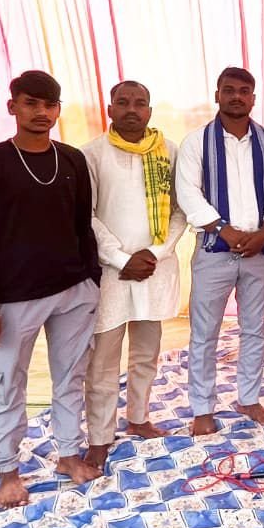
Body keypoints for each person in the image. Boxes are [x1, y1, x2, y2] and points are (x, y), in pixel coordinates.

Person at [0, 69, 102, 509]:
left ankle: (69, 455)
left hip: (74, 291)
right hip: (13, 298)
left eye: (49, 104)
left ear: (58, 110)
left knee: (71, 376)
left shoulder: (72, 159)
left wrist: (91, 279)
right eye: (31, 103)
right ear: (13, 107)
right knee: (7, 383)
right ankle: (8, 472)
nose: (41, 113)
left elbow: (82, 225)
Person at [81, 80, 186, 468]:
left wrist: (154, 253)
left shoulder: (168, 151)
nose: (131, 109)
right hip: (112, 274)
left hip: (153, 269)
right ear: (109, 109)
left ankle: (138, 418)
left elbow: (180, 211)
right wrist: (120, 258)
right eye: (123, 102)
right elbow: (87, 215)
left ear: (149, 111)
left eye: (139, 103)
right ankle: (99, 436)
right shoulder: (91, 154)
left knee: (146, 352)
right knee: (103, 361)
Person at [175, 66, 264, 435]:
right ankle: (202, 409)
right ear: (217, 95)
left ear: (253, 98)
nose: (236, 96)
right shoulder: (196, 142)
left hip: (260, 251)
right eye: (229, 90)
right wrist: (224, 230)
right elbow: (188, 193)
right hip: (213, 252)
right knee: (204, 333)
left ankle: (248, 399)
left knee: (255, 329)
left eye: (243, 91)